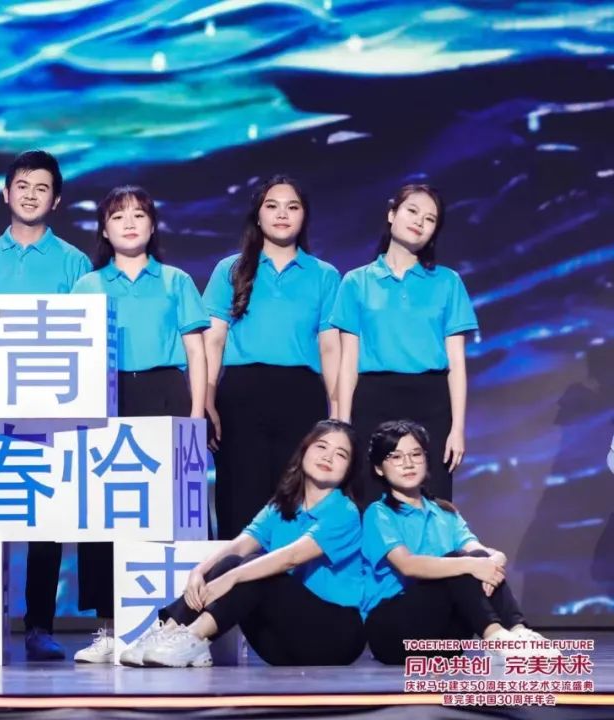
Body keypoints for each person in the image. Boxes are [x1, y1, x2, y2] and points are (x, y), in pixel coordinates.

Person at [0, 150, 91, 661]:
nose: (31, 195)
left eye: (42, 188)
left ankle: (39, 625)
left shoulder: (74, 261)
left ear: (56, 200)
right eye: (23, 185)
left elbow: (85, 338)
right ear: (5, 192)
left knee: (47, 509)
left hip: (53, 390)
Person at [70, 185, 209, 663]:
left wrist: (197, 412)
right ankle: (106, 627)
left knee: (171, 511)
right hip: (103, 397)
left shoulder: (175, 281)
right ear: (104, 230)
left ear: (152, 226)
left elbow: (196, 350)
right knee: (101, 510)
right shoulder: (88, 286)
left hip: (165, 391)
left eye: (138, 215)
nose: (129, 223)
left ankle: (179, 626)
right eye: (118, 216)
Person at [122, 420, 365, 668]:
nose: (328, 457)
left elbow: (289, 558)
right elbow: (239, 546)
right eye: (321, 446)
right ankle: (169, 633)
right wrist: (199, 571)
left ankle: (193, 638)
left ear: (348, 469)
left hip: (334, 637)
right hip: (283, 643)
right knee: (231, 562)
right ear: (304, 450)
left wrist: (233, 577)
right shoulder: (281, 505)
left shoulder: (345, 512)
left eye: (341, 454)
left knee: (257, 570)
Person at [202, 176, 341, 539]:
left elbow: (330, 347)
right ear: (258, 215)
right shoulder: (230, 270)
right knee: (238, 499)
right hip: (240, 397)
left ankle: (292, 576)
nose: (282, 214)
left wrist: (338, 413)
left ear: (304, 216)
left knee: (296, 501)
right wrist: (206, 398)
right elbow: (213, 339)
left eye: (292, 207)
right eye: (272, 206)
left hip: (301, 396)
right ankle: (236, 575)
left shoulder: (324, 275)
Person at [361, 420, 555, 664]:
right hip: (393, 632)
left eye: (415, 454)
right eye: (396, 457)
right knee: (460, 563)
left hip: (443, 637)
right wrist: (473, 564)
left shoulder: (445, 512)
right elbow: (408, 565)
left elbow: (478, 552)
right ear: (379, 468)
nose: (408, 463)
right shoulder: (378, 514)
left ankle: (518, 631)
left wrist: (495, 559)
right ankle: (496, 637)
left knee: (473, 560)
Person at [332, 183, 478, 504]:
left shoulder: (448, 282)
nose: (419, 222)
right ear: (392, 214)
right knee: (370, 504)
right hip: (373, 401)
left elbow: (456, 363)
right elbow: (347, 362)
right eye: (412, 211)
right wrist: (343, 427)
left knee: (432, 504)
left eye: (430, 219)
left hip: (431, 404)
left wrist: (457, 428)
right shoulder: (356, 282)